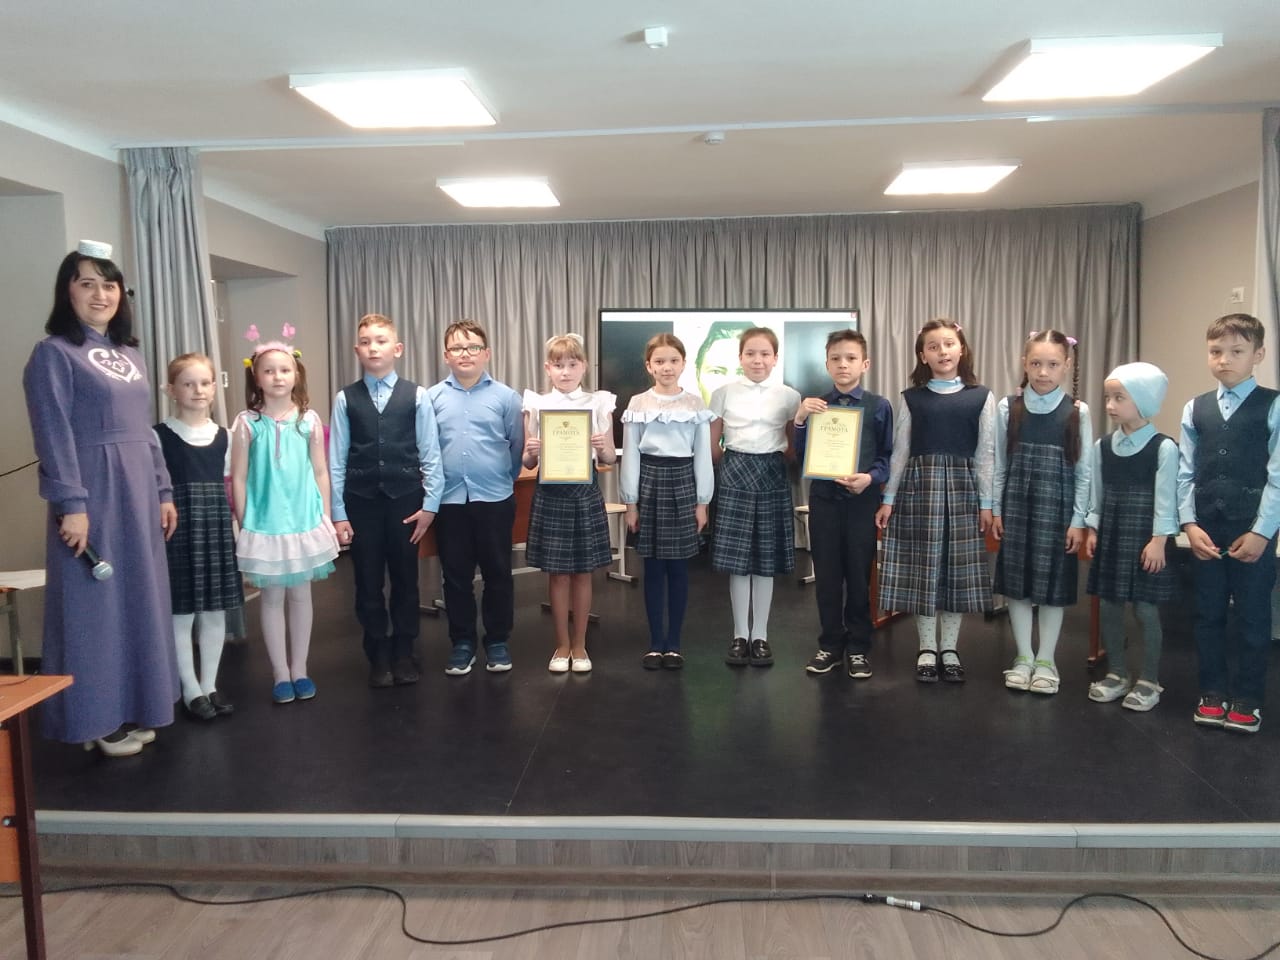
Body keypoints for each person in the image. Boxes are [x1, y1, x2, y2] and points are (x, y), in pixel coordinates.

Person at [22, 242, 179, 757]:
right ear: (66, 291)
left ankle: (135, 704)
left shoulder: (130, 355)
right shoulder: (53, 353)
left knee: (138, 599)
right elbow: (52, 433)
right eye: (86, 283)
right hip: (93, 492)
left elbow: (145, 431)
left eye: (108, 285)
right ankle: (94, 718)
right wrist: (71, 503)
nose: (100, 294)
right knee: (94, 605)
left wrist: (162, 490)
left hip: (138, 490)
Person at [876, 319, 995, 683]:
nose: (942, 351)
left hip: (963, 491)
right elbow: (900, 451)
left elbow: (986, 453)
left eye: (949, 344)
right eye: (933, 346)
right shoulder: (912, 397)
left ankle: (950, 648)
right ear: (922, 355)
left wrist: (987, 503)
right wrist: (889, 499)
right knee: (924, 570)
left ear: (962, 349)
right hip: (920, 489)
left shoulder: (981, 396)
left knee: (956, 571)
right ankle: (927, 647)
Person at [1178, 313, 1280, 734]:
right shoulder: (1195, 407)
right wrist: (1188, 524)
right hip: (1206, 530)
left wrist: (1261, 532)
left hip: (1252, 531)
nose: (1224, 359)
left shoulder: (1273, 405)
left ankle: (1248, 697)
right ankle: (1212, 691)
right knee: (1208, 614)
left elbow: (1278, 475)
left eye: (1237, 351)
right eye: (1216, 351)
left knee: (1254, 617)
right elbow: (1185, 472)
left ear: (1258, 354)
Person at [329, 314, 442, 688]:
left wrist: (430, 505)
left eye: (380, 341)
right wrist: (338, 512)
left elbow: (430, 454)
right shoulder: (345, 399)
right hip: (361, 503)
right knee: (367, 581)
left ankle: (404, 651)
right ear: (357, 350)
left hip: (405, 501)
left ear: (397, 349)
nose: (373, 347)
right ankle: (377, 652)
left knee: (407, 579)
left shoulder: (417, 396)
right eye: (365, 342)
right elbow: (336, 459)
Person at [231, 339, 339, 704]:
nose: (277, 377)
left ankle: (300, 669)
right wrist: (245, 522)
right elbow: (239, 477)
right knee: (272, 597)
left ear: (296, 374)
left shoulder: (308, 420)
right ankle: (280, 673)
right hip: (266, 523)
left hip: (303, 521)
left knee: (301, 595)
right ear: (256, 377)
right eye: (268, 371)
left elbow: (320, 471)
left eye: (284, 370)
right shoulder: (247, 422)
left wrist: (325, 516)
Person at [993, 330, 1093, 695]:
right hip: (1016, 504)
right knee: (1017, 584)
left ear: (1066, 365)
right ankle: (1023, 656)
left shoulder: (1078, 411)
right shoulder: (1009, 408)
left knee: (1053, 585)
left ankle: (1047, 659)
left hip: (1058, 507)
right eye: (1035, 363)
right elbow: (999, 464)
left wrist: (1079, 520)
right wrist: (996, 508)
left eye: (1052, 364)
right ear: (1025, 364)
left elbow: (1084, 471)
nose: (1043, 372)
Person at [793, 329, 893, 679]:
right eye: (835, 358)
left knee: (859, 575)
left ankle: (859, 646)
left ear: (865, 364)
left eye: (851, 358)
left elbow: (887, 456)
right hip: (824, 501)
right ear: (826, 364)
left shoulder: (879, 406)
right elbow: (802, 456)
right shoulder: (816, 406)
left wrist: (871, 477)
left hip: (862, 502)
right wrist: (800, 419)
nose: (843, 364)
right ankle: (831, 644)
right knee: (828, 576)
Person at [427, 320, 524, 676]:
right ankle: (463, 643)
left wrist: (501, 479)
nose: (464, 354)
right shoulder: (432, 398)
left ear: (487, 353)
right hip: (449, 501)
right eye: (457, 348)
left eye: (472, 347)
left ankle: (497, 640)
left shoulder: (506, 397)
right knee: (455, 577)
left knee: (498, 573)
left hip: (495, 498)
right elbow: (427, 450)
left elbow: (515, 447)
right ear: (446, 355)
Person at [1084, 362, 1178, 711]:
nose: (1110, 405)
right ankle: (1117, 674)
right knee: (1109, 604)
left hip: (1145, 537)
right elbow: (1096, 492)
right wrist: (1093, 527)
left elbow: (1166, 499)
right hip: (1112, 533)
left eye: (1119, 398)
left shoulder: (1163, 447)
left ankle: (1149, 680)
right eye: (1108, 397)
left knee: (1145, 608)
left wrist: (1159, 540)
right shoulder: (1103, 446)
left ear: (1144, 400)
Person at [155, 353, 243, 721]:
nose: (198, 390)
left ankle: (209, 684)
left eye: (205, 383)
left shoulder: (226, 436)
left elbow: (232, 484)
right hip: (178, 528)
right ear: (171, 390)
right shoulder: (158, 435)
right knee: (182, 611)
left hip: (216, 524)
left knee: (214, 609)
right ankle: (189, 688)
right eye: (188, 383)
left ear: (214, 387)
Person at [521, 334, 616, 673]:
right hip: (550, 492)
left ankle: (580, 644)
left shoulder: (598, 402)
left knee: (583, 572)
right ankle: (561, 644)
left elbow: (609, 457)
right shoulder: (536, 404)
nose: (565, 372)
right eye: (558, 365)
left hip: (584, 491)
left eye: (572, 364)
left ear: (584, 366)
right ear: (548, 368)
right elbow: (528, 462)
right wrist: (530, 452)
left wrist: (602, 446)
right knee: (558, 574)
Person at [621, 333, 716, 670]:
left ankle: (674, 643)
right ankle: (655, 643)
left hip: (683, 482)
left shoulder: (694, 404)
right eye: (659, 361)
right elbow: (631, 455)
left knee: (677, 567)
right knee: (652, 568)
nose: (667, 367)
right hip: (649, 483)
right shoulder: (638, 403)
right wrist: (631, 503)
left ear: (683, 364)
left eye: (673, 360)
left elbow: (702, 454)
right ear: (649, 366)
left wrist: (702, 502)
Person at [709, 326, 801, 667]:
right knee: (738, 561)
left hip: (773, 471)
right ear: (740, 357)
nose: (757, 360)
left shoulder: (790, 396)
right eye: (750, 353)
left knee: (765, 559)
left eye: (765, 354)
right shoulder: (722, 393)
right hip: (735, 469)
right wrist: (730, 467)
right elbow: (713, 444)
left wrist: (776, 463)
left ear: (775, 358)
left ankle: (760, 635)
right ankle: (739, 635)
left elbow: (792, 445)